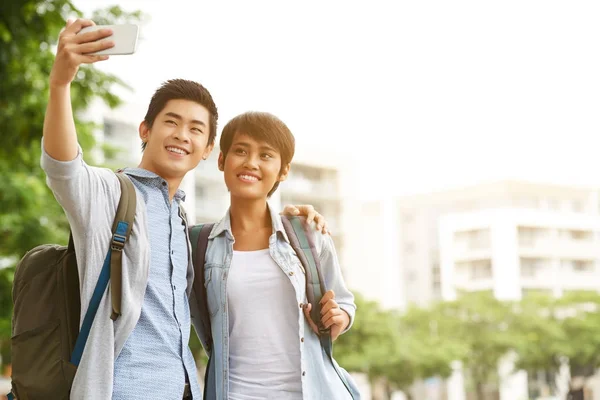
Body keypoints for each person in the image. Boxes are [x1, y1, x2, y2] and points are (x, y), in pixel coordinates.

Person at [43, 19, 329, 400]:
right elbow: (63, 168)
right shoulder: (109, 194)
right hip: (122, 390)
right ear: (145, 129)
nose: (182, 135)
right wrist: (60, 83)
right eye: (171, 123)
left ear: (209, 150)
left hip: (185, 390)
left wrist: (291, 219)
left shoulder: (184, 222)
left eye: (196, 129)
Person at [199, 111, 359, 399]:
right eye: (240, 151)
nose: (251, 162)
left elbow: (345, 302)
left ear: (283, 171)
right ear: (222, 160)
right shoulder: (198, 243)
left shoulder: (308, 233)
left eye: (265, 155)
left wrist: (339, 317)